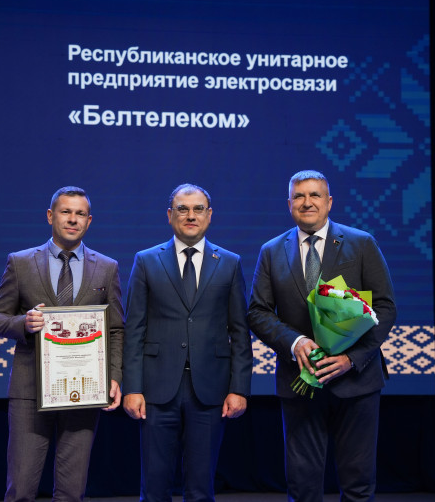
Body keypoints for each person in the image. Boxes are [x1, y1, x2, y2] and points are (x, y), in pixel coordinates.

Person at [247, 170, 397, 502]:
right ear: (289, 204)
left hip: (357, 382)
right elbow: (257, 312)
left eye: (315, 195)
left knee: (358, 487)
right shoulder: (271, 251)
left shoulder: (362, 243)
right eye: (299, 196)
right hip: (299, 381)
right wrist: (295, 342)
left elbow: (386, 307)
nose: (307, 202)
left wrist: (351, 359)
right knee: (302, 488)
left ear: (329, 202)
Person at [0, 186, 124, 501]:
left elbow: (116, 328)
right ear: (51, 216)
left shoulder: (107, 267)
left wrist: (114, 376)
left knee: (72, 491)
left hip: (84, 390)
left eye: (80, 214)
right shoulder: (21, 262)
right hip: (30, 391)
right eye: (66, 212)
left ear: (89, 220)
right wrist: (24, 323)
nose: (73, 219)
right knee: (21, 488)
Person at [122, 183, 252, 502]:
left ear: (209, 215)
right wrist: (132, 388)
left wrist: (239, 388)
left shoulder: (230, 262)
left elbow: (240, 331)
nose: (190, 215)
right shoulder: (146, 260)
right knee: (154, 489)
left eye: (198, 209)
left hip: (210, 390)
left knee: (200, 489)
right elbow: (134, 329)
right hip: (155, 390)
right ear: (170, 215)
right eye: (182, 209)